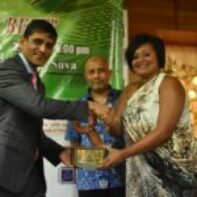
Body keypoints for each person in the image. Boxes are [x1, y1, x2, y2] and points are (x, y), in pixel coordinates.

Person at [0, 19, 108, 197]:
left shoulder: (37, 83)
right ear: (22, 42)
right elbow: (39, 107)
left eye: (49, 45)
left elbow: (33, 133)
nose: (43, 49)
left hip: (31, 179)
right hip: (5, 175)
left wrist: (59, 153)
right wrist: (88, 106)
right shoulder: (6, 71)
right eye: (37, 41)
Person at [100, 34, 197, 196]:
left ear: (158, 56)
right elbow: (116, 131)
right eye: (135, 57)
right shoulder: (129, 90)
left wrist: (122, 154)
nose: (140, 60)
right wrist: (109, 121)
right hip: (140, 169)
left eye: (147, 54)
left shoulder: (169, 83)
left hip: (174, 170)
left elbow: (163, 131)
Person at [66, 56, 125, 197]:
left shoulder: (123, 100)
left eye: (101, 71)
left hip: (122, 179)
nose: (97, 75)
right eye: (91, 72)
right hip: (89, 182)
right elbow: (74, 142)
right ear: (86, 76)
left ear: (109, 73)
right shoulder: (76, 106)